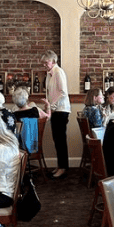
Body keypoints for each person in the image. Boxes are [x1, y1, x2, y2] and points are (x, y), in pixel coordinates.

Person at [41, 49, 71, 179]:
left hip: (61, 110)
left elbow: (63, 92)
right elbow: (50, 93)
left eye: (46, 62)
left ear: (53, 61)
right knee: (56, 140)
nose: (44, 65)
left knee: (60, 140)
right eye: (43, 63)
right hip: (54, 110)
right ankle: (60, 166)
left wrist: (51, 106)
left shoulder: (59, 72)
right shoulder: (49, 74)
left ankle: (63, 167)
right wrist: (48, 105)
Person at [11, 85, 49, 154]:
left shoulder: (14, 115)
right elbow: (47, 117)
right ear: (26, 98)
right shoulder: (35, 110)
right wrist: (48, 106)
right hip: (35, 144)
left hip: (19, 148)